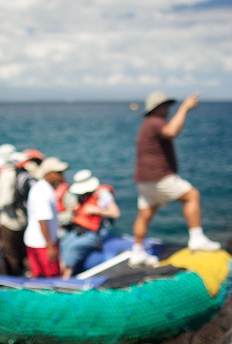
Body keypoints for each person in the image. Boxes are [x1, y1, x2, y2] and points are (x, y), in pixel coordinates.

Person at [131, 91, 221, 266]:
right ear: (157, 108)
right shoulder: (156, 122)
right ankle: (196, 238)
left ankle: (137, 251)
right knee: (192, 196)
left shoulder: (147, 124)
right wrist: (185, 108)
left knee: (145, 214)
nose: (167, 109)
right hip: (158, 176)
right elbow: (171, 131)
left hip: (143, 179)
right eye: (165, 106)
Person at [60, 170, 120, 279]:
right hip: (80, 229)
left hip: (95, 232)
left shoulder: (103, 195)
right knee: (64, 243)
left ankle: (66, 276)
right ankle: (63, 270)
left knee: (73, 248)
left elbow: (115, 213)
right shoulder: (83, 196)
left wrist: (97, 211)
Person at [23, 157, 69, 278]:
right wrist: (50, 246)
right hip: (42, 243)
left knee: (38, 276)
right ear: (49, 174)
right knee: (52, 278)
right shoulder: (44, 192)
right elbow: (42, 220)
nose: (62, 176)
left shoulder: (40, 187)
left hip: (35, 240)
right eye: (58, 173)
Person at [0, 144, 29, 275]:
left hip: (10, 221)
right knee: (21, 251)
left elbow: (5, 200)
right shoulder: (20, 172)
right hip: (22, 218)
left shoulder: (6, 175)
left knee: (10, 253)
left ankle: (14, 279)